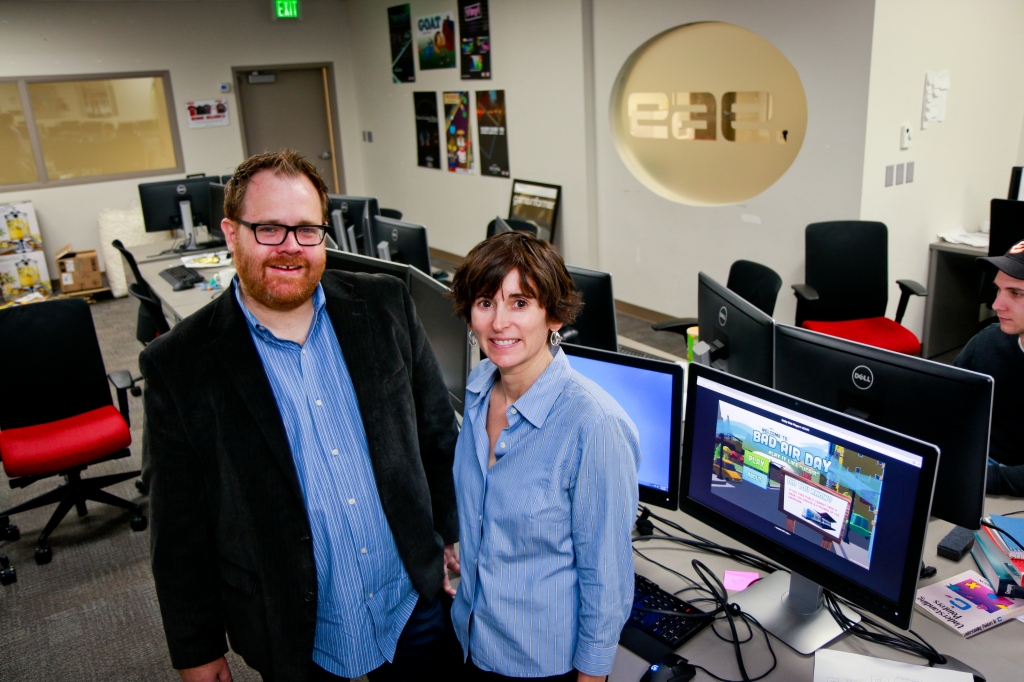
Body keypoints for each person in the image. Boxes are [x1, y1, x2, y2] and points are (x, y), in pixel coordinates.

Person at [140, 149, 460, 682]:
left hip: (415, 604)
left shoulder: (384, 305)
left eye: (307, 230)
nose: (291, 248)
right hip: (295, 631)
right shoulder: (180, 364)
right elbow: (178, 528)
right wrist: (196, 649)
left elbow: (435, 432)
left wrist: (451, 530)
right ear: (231, 232)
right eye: (269, 228)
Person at [448, 232, 641, 681]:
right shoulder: (479, 387)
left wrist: (592, 676)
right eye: (485, 302)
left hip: (539, 664)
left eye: (520, 303)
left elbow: (607, 577)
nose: (499, 323)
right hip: (471, 637)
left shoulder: (593, 425)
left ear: (553, 316)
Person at [955, 239, 1024, 497]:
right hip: (977, 464)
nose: (996, 305)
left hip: (1006, 487)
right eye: (999, 290)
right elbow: (947, 402)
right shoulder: (989, 341)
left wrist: (972, 477)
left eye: (1016, 293)